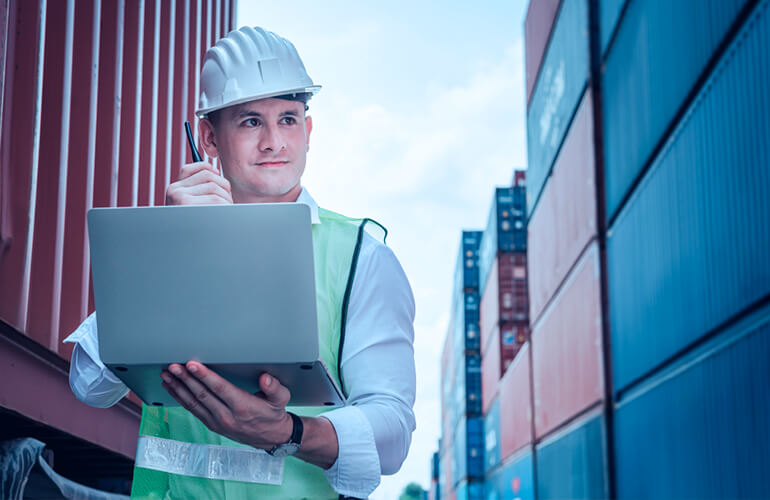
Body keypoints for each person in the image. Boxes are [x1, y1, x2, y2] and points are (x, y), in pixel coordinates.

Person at [65, 26, 416, 499]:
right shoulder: (171, 252)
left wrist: (286, 431)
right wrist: (172, 250)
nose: (274, 141)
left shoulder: (361, 258)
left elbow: (391, 430)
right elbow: (89, 385)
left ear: (308, 131)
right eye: (252, 121)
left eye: (288, 119)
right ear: (208, 137)